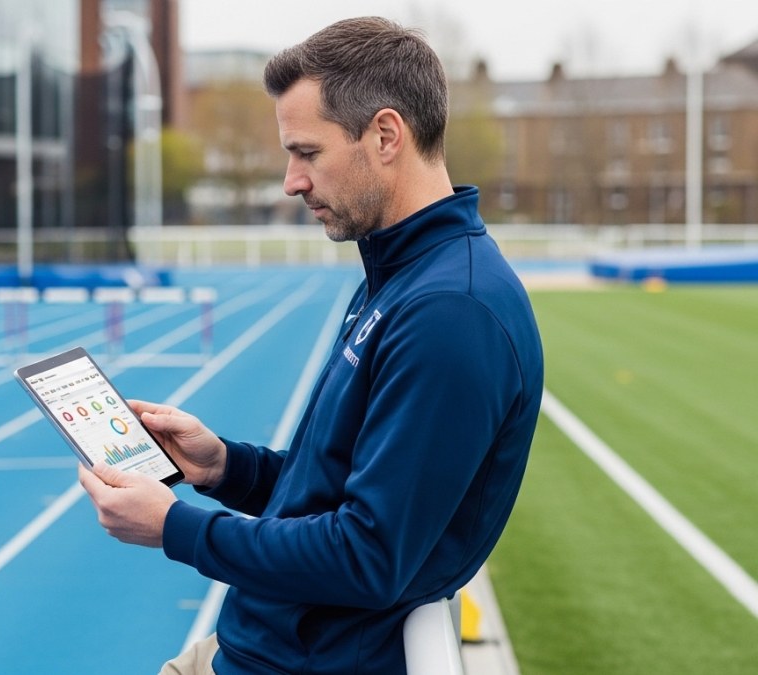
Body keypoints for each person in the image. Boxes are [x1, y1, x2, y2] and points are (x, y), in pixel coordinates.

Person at [77, 16, 544, 675]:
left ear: (385, 135)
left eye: (307, 152)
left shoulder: (450, 311)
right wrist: (224, 468)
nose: (291, 181)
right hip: (263, 649)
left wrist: (174, 527)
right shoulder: (401, 277)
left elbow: (367, 554)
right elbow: (332, 493)